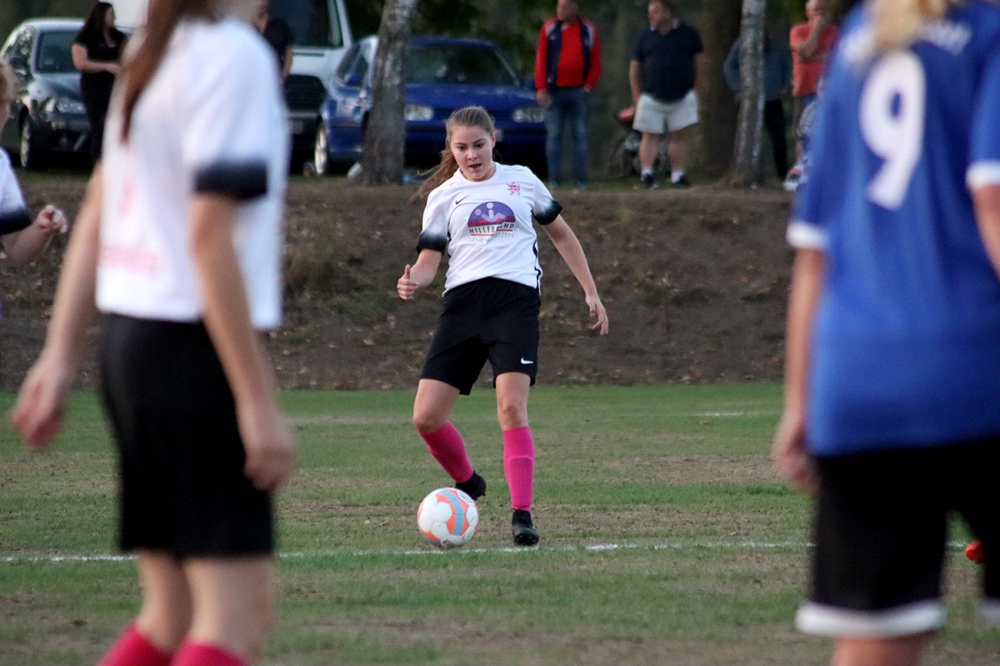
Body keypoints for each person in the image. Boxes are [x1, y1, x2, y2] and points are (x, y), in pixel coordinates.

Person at [12, 0, 294, 665]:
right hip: (191, 353)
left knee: (172, 616)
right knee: (233, 621)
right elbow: (207, 236)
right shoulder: (234, 58)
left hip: (132, 347)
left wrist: (60, 355)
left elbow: (101, 201)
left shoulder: (151, 50)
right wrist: (256, 400)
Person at [772, 1, 1000, 665]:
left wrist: (800, 402)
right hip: (977, 368)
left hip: (860, 381)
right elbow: (992, 196)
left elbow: (814, 250)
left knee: (875, 643)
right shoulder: (989, 33)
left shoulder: (860, 40)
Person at [397, 106, 608, 547]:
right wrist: (414, 279)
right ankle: (468, 482)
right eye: (462, 148)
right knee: (426, 417)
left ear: (494, 141)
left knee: (511, 407)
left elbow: (562, 235)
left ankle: (522, 515)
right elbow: (429, 260)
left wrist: (590, 290)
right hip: (462, 306)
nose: (471, 155)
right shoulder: (443, 197)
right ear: (451, 149)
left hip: (514, 304)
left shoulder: (522, 180)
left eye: (479, 145)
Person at [629, 0, 704, 189]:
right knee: (649, 135)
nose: (650, 16)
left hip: (682, 95)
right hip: (651, 94)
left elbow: (700, 62)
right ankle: (647, 174)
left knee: (679, 135)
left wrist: (696, 89)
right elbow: (635, 67)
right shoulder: (645, 36)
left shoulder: (688, 34)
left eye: (654, 12)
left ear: (668, 13)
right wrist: (636, 94)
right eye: (649, 12)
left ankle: (677, 175)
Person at [534, 0, 602, 190]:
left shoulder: (587, 30)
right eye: (559, 7)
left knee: (580, 135)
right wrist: (541, 87)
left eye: (564, 7)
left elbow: (595, 60)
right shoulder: (550, 29)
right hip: (554, 91)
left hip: (579, 90)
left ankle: (580, 178)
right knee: (554, 135)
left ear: (574, 8)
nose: (560, 11)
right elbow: (541, 59)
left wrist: (589, 85)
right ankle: (554, 178)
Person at [723, 29, 792, 181]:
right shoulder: (742, 43)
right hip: (749, 101)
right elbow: (729, 66)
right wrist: (739, 86)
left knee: (779, 137)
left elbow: (787, 65)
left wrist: (786, 84)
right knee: (750, 138)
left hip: (773, 99)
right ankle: (754, 173)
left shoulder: (778, 45)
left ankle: (783, 174)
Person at [72, 2, 127, 164]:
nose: (114, 18)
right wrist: (107, 66)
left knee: (115, 126)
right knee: (99, 127)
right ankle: (99, 163)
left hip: (116, 88)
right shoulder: (85, 37)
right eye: (111, 14)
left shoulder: (119, 37)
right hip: (94, 89)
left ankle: (116, 162)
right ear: (101, 16)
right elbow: (80, 63)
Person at [789, 0, 838, 164]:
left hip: (829, 91)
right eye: (816, 10)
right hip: (806, 89)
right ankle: (801, 167)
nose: (820, 14)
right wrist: (817, 29)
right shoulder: (798, 31)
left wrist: (811, 57)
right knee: (803, 133)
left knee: (827, 131)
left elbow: (838, 57)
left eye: (823, 10)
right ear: (808, 13)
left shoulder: (836, 32)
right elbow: (805, 50)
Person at [254, 0, 294, 80]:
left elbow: (289, 53)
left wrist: (282, 77)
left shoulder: (280, 26)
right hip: (251, 77)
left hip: (274, 78)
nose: (259, 4)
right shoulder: (244, 27)